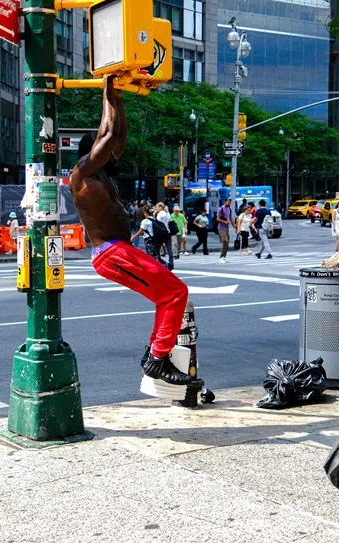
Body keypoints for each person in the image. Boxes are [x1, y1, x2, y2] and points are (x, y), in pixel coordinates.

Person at [69, 75, 191, 386]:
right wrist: (109, 90)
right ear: (92, 154)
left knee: (169, 295)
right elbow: (108, 135)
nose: (114, 155)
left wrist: (119, 98)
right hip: (111, 253)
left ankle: (156, 353)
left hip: (120, 251)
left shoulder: (103, 175)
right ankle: (157, 358)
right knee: (175, 293)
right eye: (105, 153)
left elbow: (117, 138)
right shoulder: (82, 175)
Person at [216, 198, 233, 263]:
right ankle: (221, 257)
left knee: (227, 243)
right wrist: (224, 222)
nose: (229, 204)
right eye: (228, 202)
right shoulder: (220, 209)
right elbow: (217, 219)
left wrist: (235, 227)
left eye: (230, 203)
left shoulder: (229, 209)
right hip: (221, 228)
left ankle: (224, 257)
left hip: (227, 228)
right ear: (225, 201)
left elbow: (231, 219)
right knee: (225, 241)